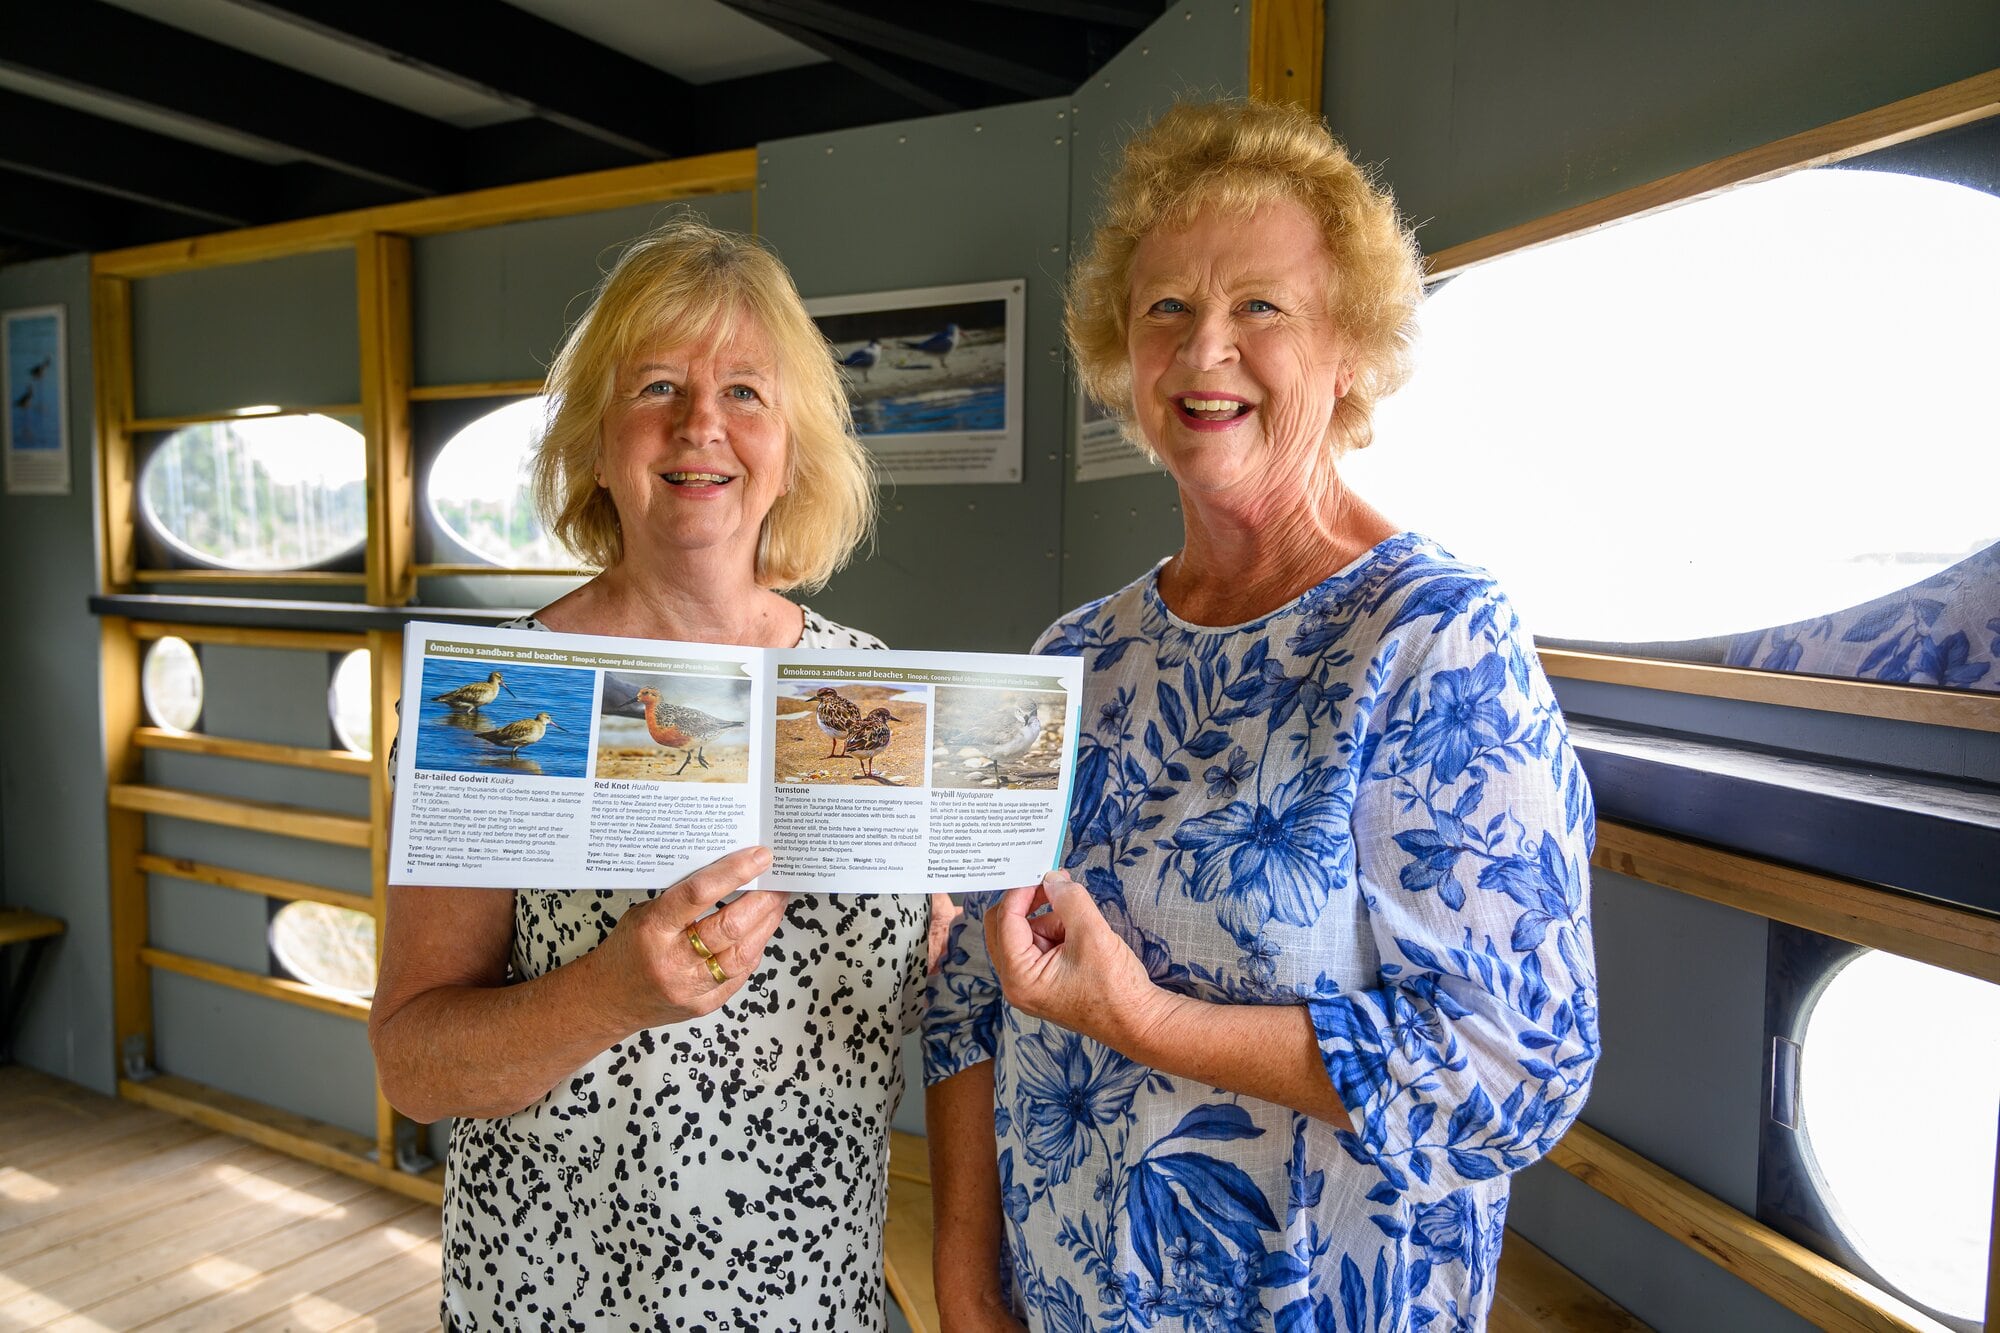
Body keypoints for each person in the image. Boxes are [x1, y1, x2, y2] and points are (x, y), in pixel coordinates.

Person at [926, 101, 1600, 1332]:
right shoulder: (1072, 653)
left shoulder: (1432, 641)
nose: (1203, 351)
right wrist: (966, 1278)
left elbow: (1513, 1070)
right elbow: (972, 989)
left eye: (1258, 308)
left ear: (1349, 348)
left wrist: (1143, 1018)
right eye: (1165, 309)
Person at [371, 217, 948, 1331]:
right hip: (560, 1300)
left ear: (792, 445)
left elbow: (863, 1019)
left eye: (745, 391)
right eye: (656, 387)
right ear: (595, 440)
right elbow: (415, 1066)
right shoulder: (501, 702)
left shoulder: (871, 693)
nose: (700, 425)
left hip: (811, 1298)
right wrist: (609, 995)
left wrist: (929, 947)